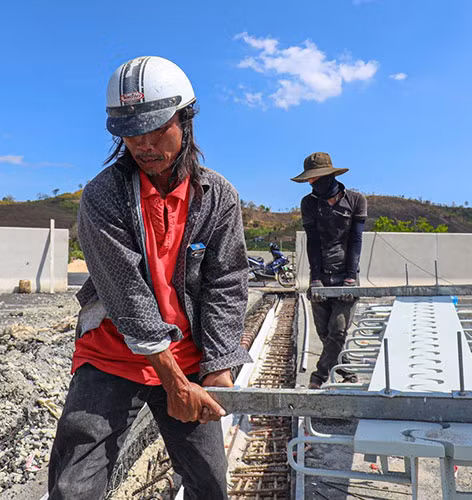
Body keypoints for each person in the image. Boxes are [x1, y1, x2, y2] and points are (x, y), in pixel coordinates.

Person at [48, 56, 251, 500]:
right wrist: (175, 385)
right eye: (131, 133)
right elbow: (127, 294)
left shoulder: (216, 197)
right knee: (73, 487)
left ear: (186, 119)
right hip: (112, 354)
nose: (144, 144)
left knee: (209, 484)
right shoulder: (104, 196)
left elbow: (226, 281)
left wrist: (218, 366)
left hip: (187, 355)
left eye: (157, 128)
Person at [291, 152, 367, 389]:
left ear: (330, 176)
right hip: (321, 274)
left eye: (316, 178)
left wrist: (350, 277)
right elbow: (313, 242)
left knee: (338, 331)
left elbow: (355, 241)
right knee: (324, 333)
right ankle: (348, 372)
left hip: (346, 274)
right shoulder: (309, 203)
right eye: (310, 180)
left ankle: (318, 377)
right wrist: (315, 278)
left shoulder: (356, 200)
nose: (312, 183)